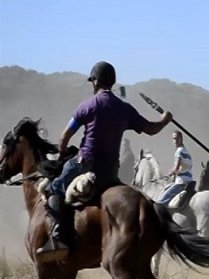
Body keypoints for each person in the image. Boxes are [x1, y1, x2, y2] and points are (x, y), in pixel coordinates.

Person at [38, 61, 173, 261]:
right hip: (110, 171)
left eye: (92, 80)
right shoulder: (124, 108)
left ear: (96, 81)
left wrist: (61, 155)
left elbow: (64, 136)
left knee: (55, 187)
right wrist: (165, 119)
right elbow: (151, 129)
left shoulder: (87, 105)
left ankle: (57, 238)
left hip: (85, 163)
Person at [155, 130, 193, 206]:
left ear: (181, 139)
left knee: (159, 203)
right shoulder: (186, 152)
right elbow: (181, 169)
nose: (175, 141)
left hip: (181, 183)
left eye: (176, 138)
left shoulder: (179, 151)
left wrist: (168, 174)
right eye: (173, 139)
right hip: (189, 181)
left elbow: (176, 168)